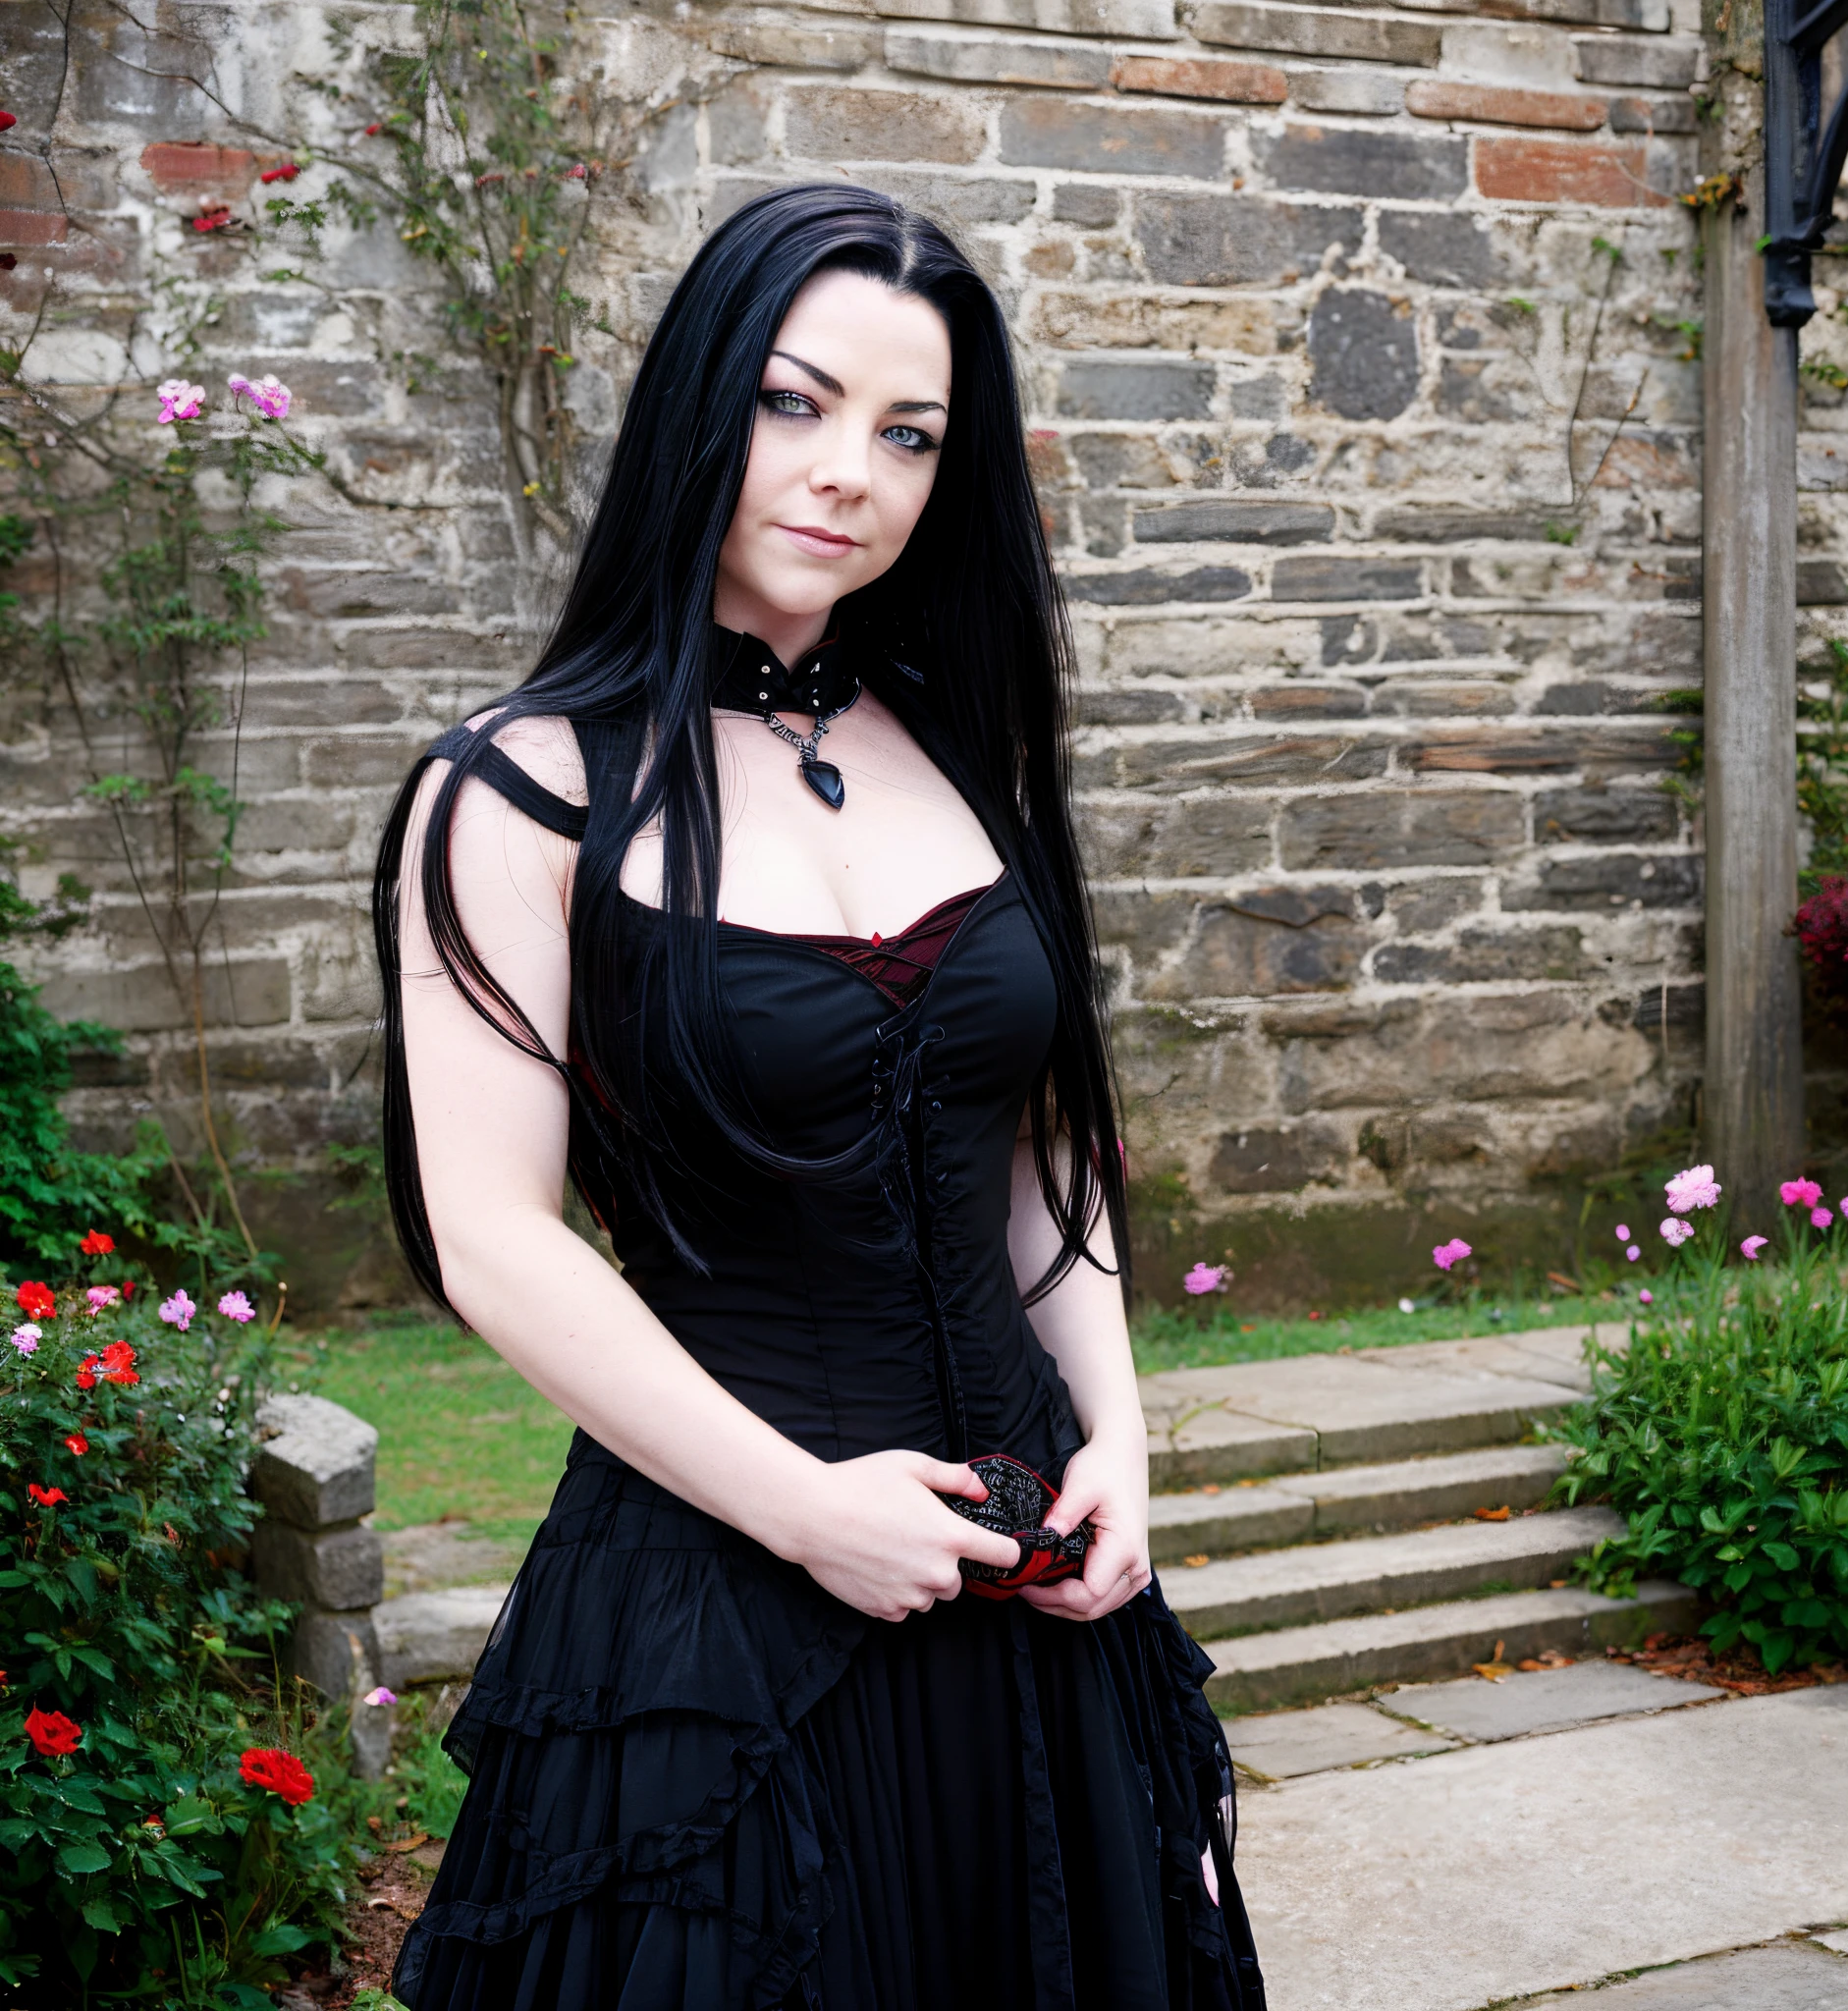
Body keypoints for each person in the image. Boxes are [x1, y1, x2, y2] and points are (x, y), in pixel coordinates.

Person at [373, 182, 1266, 2010]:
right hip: (718, 1594)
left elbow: (1039, 1138)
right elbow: (490, 1237)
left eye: (909, 433)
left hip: (1038, 1577)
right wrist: (805, 1509)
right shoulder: (517, 792)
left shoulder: (961, 743)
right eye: (795, 401)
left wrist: (1121, 1441)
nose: (847, 470)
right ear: (702, 400)